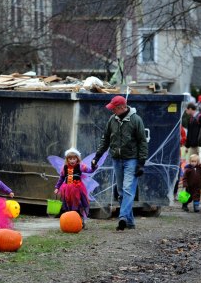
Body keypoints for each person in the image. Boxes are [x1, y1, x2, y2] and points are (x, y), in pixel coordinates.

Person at [92, 95, 148, 231]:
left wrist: (141, 163)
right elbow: (105, 139)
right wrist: (97, 157)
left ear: (122, 107)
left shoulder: (136, 120)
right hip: (117, 159)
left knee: (128, 188)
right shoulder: (112, 120)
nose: (112, 111)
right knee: (121, 191)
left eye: (114, 108)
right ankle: (130, 222)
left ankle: (122, 217)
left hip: (132, 159)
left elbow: (142, 141)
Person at [54, 148, 92, 228]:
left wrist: (94, 166)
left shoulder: (81, 166)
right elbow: (61, 178)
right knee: (68, 205)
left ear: (77, 159)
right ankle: (69, 222)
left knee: (79, 204)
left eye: (74, 158)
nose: (72, 160)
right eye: (70, 159)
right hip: (67, 189)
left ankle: (80, 221)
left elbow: (89, 170)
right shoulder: (64, 168)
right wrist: (57, 187)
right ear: (67, 159)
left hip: (78, 189)